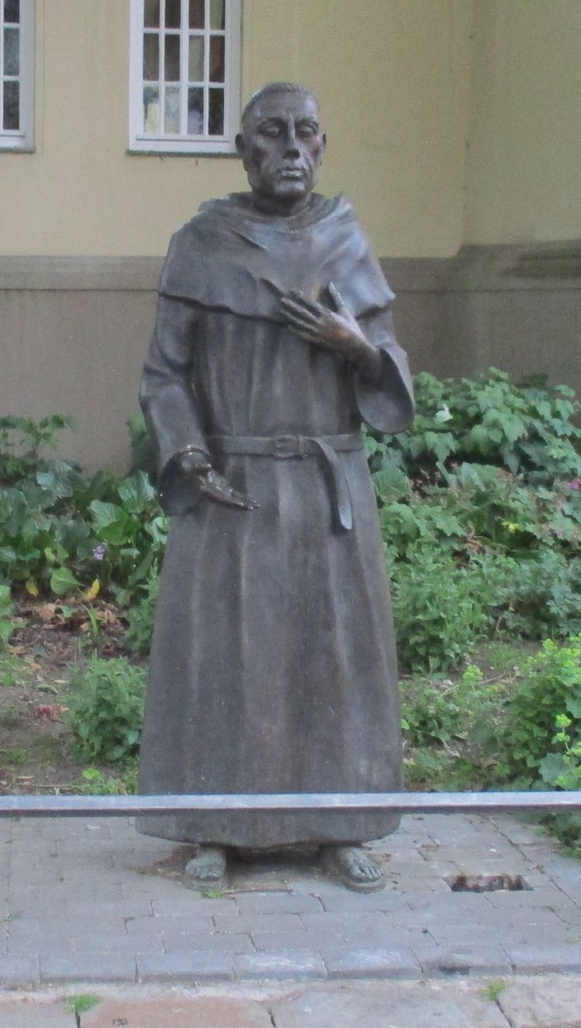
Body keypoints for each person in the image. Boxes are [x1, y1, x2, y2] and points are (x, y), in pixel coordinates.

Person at [135, 82, 414, 893]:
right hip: (236, 487)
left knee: (332, 661)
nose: (290, 147)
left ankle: (339, 827)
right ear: (243, 148)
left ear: (323, 147)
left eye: (305, 133)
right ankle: (217, 829)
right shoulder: (201, 244)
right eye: (271, 133)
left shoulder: (345, 242)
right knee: (227, 659)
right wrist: (188, 457)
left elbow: (396, 378)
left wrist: (355, 345)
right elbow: (165, 375)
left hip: (330, 493)